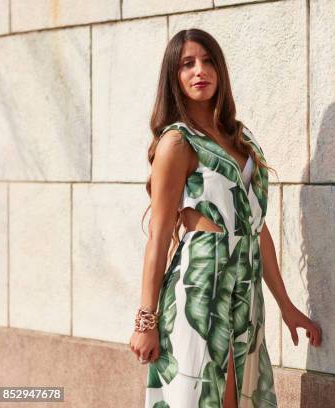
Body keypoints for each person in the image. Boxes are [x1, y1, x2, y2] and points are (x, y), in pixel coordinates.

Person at [129, 28, 322, 408]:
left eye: (207, 60)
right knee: (198, 397)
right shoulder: (177, 143)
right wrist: (145, 321)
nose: (200, 70)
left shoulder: (241, 138)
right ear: (175, 77)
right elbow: (159, 236)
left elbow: (256, 226)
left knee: (239, 399)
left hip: (245, 293)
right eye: (187, 64)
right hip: (199, 289)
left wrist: (285, 304)